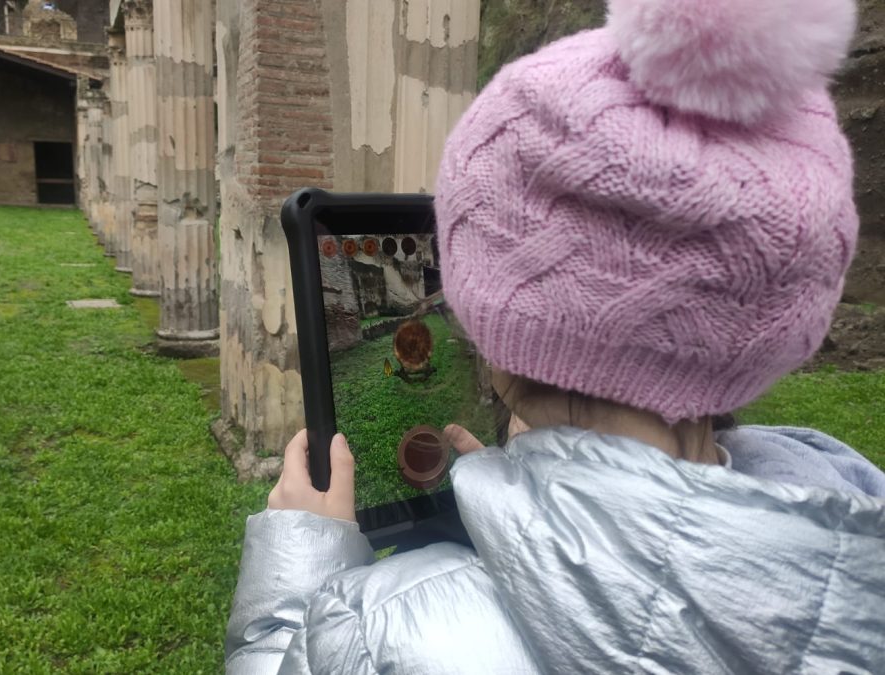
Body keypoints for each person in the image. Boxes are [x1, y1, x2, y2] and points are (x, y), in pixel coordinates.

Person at [226, 0, 885, 671]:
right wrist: (529, 504)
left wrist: (300, 562)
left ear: (496, 350)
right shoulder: (849, 531)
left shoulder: (383, 631)